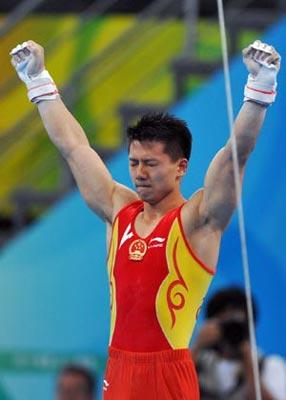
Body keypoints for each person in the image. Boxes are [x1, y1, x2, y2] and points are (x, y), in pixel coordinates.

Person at [10, 39, 280, 400]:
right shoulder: (118, 209)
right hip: (119, 370)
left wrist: (259, 89)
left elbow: (236, 155)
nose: (139, 173)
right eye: (134, 162)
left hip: (168, 372)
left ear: (181, 167)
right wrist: (38, 81)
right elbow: (74, 148)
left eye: (151, 164)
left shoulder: (197, 220)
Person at [192, 287, 286, 400]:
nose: (231, 332)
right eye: (225, 326)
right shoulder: (198, 364)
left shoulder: (270, 366)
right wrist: (197, 346)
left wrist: (251, 371)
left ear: (250, 326)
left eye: (236, 326)